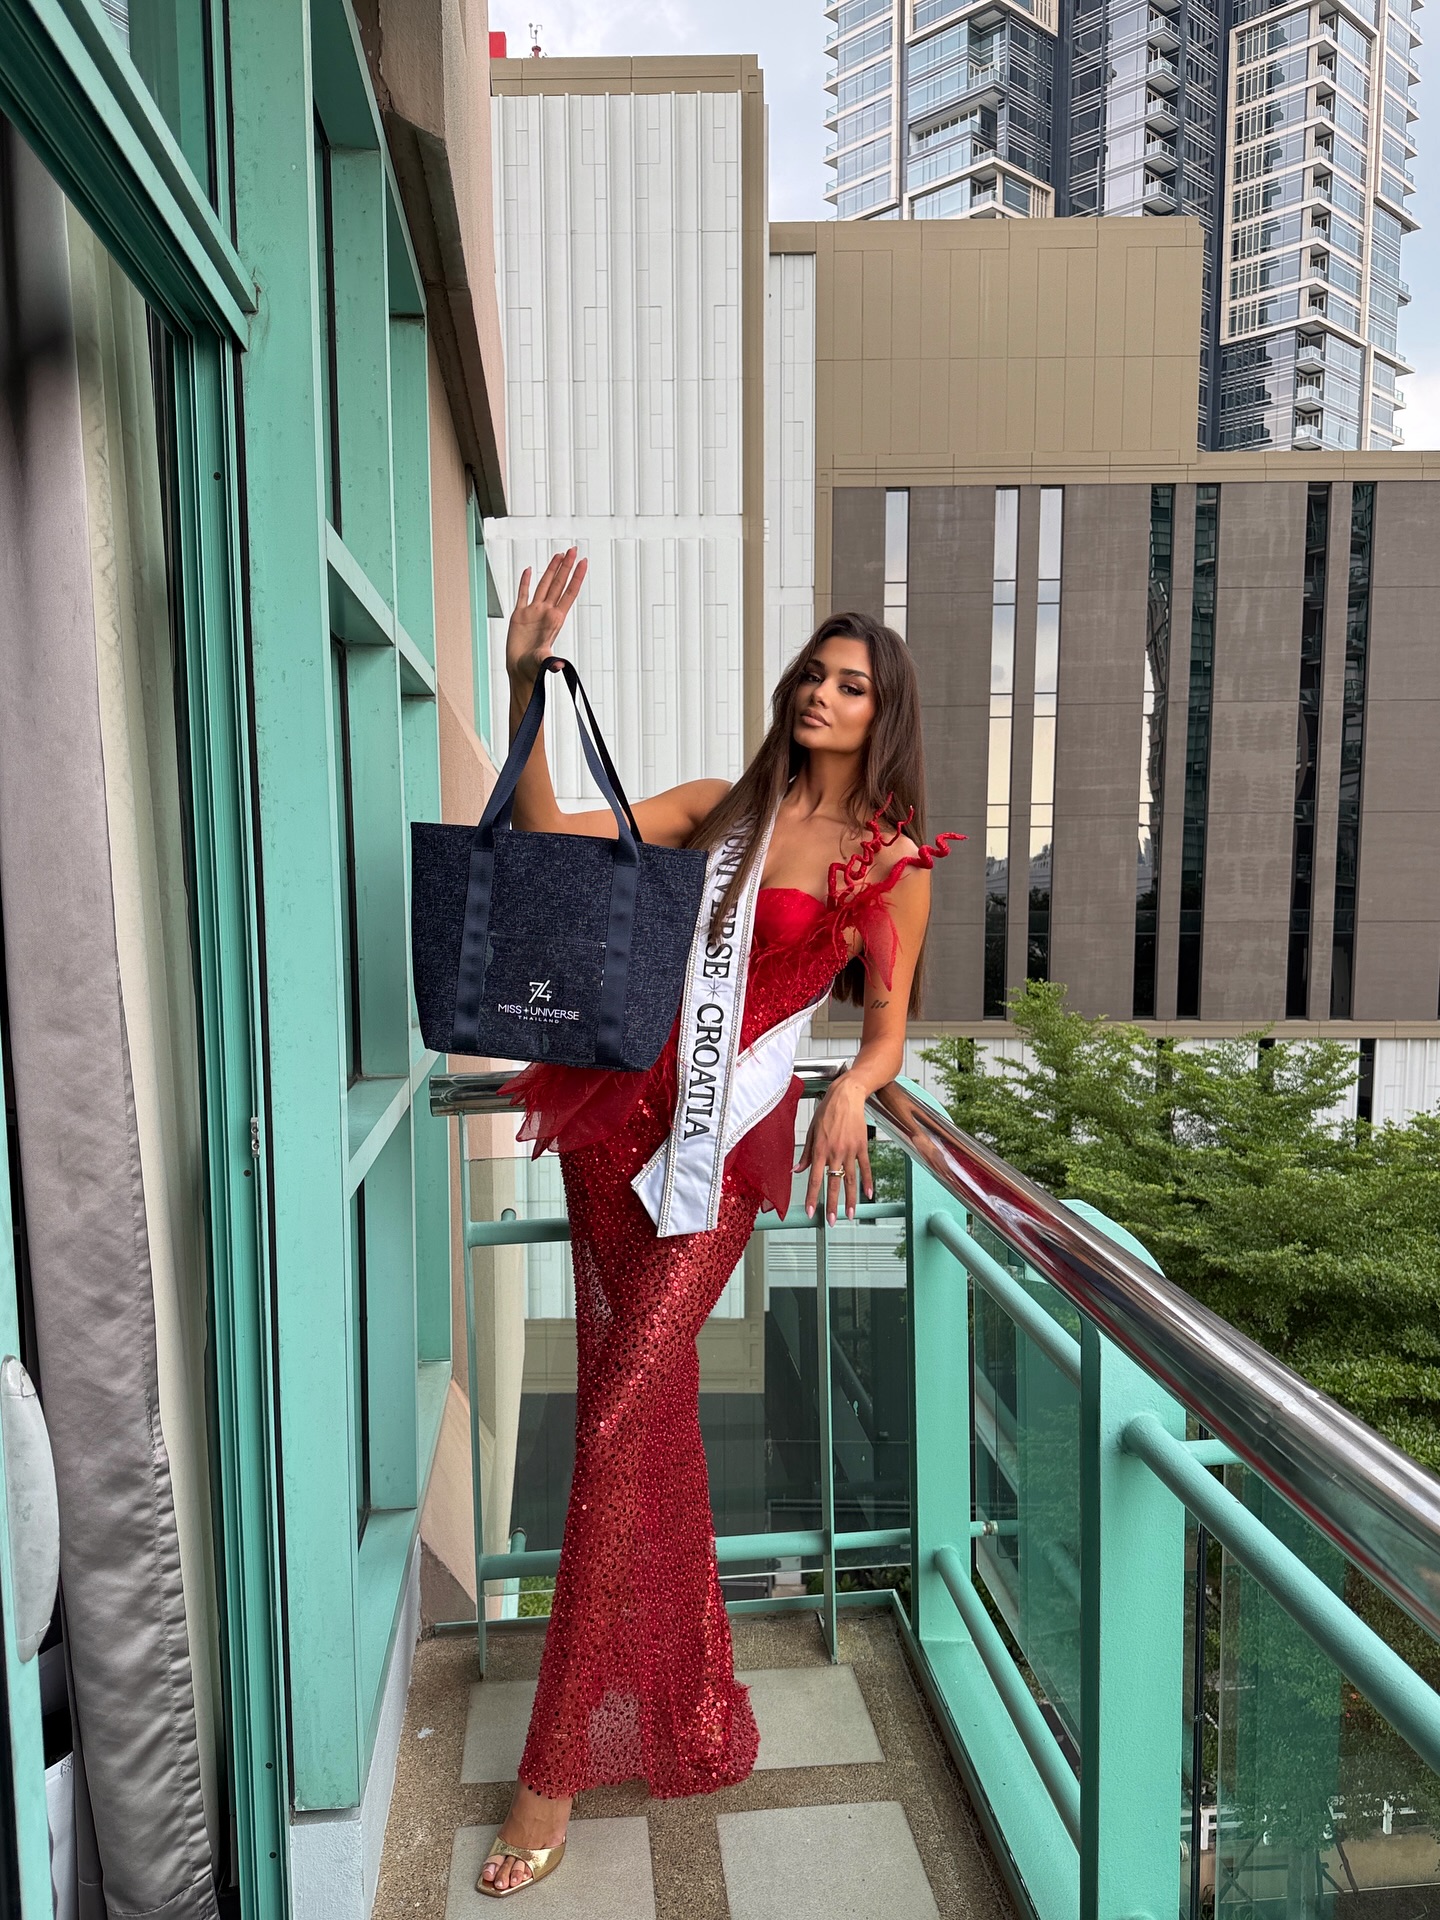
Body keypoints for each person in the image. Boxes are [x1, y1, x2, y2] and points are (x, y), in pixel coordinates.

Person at [477, 548, 959, 1897]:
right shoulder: (719, 807)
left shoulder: (891, 861)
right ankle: (682, 1707)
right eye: (813, 674)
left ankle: (551, 1773)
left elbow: (886, 1028)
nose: (821, 693)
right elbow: (550, 835)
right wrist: (527, 682)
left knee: (616, 1431)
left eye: (850, 685)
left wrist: (852, 1091)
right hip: (613, 1132)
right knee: (644, 1426)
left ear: (884, 714)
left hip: (716, 1160)